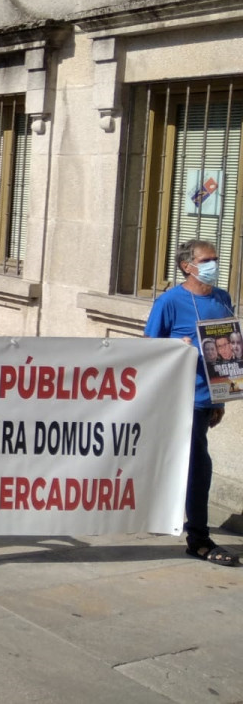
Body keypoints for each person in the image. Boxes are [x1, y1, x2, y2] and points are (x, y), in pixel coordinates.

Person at [144, 239, 239, 567]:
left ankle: (175, 519)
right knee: (200, 464)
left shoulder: (222, 299)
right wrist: (176, 345)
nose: (214, 265)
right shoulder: (169, 301)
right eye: (207, 260)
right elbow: (149, 348)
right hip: (179, 398)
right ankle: (198, 539)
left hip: (207, 397)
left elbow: (227, 351)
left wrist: (221, 400)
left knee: (188, 461)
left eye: (216, 259)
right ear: (187, 266)